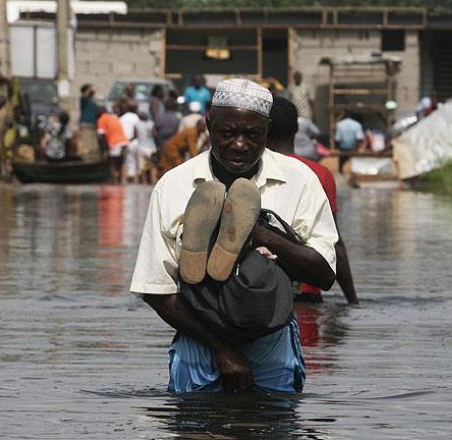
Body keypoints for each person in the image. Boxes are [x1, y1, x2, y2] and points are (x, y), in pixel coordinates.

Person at [130, 78, 338, 393]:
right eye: (228, 133)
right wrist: (221, 348)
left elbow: (324, 275)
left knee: (215, 422)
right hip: (202, 333)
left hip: (270, 332)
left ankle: (248, 237)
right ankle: (212, 249)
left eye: (252, 135)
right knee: (250, 422)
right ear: (209, 125)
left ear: (267, 130)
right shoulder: (174, 185)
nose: (239, 144)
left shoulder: (300, 181)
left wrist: (262, 236)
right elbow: (156, 289)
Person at [267, 97, 358, 305]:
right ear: (296, 129)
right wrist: (353, 301)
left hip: (259, 289)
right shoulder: (319, 173)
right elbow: (335, 244)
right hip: (307, 291)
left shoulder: (250, 169)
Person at [96, 107, 129, 184]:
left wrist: (104, 150)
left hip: (114, 143)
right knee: (121, 162)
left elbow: (101, 136)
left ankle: (114, 182)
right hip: (124, 141)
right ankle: (122, 181)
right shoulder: (113, 117)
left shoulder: (101, 119)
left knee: (112, 163)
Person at [119, 101, 142, 183]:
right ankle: (137, 180)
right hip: (135, 142)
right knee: (137, 162)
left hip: (125, 143)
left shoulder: (122, 118)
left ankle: (126, 179)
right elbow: (137, 131)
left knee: (127, 161)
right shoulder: (136, 117)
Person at [134, 111, 158, 183]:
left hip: (141, 147)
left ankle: (144, 181)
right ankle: (153, 180)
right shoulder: (151, 124)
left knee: (143, 167)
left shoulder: (137, 125)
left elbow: (135, 135)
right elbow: (155, 134)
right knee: (153, 165)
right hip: (151, 147)